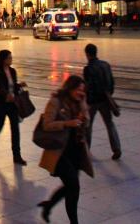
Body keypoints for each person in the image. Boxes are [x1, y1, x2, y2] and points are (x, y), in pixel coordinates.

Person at [37, 75, 94, 224]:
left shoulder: (79, 102)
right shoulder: (56, 101)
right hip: (58, 152)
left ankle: (48, 206)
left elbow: (86, 123)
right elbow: (46, 124)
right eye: (78, 89)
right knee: (73, 185)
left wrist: (83, 103)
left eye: (82, 90)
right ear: (70, 88)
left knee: (71, 186)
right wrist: (67, 123)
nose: (80, 93)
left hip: (75, 151)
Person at [0, 50, 27, 165]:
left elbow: (12, 85)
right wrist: (7, 95)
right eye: (9, 58)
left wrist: (19, 85)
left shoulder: (13, 71)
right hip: (0, 104)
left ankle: (17, 156)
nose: (11, 59)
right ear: (3, 60)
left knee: (15, 129)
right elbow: (0, 88)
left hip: (12, 104)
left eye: (11, 57)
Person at [82, 43, 121, 160]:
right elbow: (112, 82)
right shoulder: (105, 65)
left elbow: (88, 86)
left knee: (88, 126)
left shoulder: (88, 69)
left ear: (87, 54)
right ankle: (117, 148)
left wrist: (85, 101)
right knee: (110, 124)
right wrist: (109, 94)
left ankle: (86, 150)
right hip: (105, 99)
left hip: (93, 101)